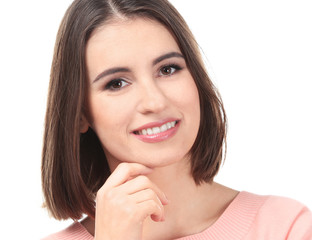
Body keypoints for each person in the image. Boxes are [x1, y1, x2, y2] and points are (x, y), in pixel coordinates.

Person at [41, 0, 312, 239]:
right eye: (117, 83)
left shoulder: (286, 227)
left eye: (168, 69)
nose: (155, 102)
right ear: (80, 114)